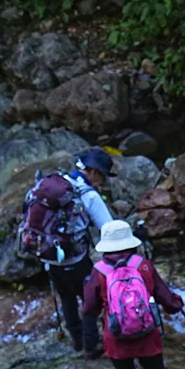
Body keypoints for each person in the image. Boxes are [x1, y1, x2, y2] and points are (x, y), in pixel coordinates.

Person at [80, 218, 183, 369]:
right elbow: (167, 300)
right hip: (147, 335)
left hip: (117, 337)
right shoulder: (143, 266)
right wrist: (177, 303)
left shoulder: (99, 271)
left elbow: (89, 308)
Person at [19, 149, 115, 358]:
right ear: (94, 172)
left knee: (67, 298)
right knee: (92, 300)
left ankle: (78, 341)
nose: (102, 182)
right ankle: (92, 345)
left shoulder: (53, 184)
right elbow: (109, 229)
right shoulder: (87, 195)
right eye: (102, 176)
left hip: (48, 256)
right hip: (75, 259)